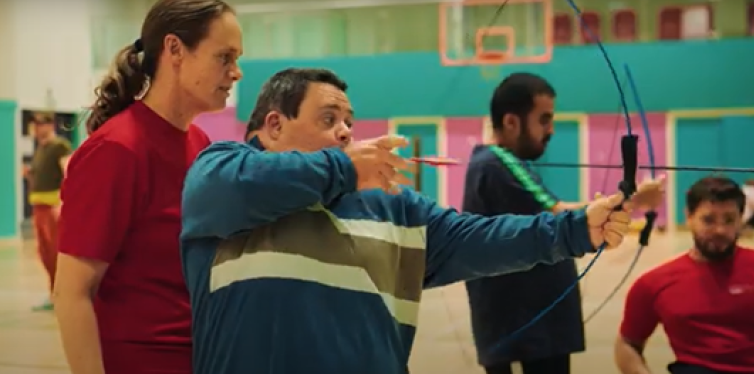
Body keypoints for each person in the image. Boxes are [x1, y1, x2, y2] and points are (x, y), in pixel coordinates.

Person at [179, 68, 664, 374]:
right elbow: (235, 185)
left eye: (349, 120)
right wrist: (346, 168)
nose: (346, 130)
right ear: (274, 126)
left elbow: (480, 235)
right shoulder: (224, 173)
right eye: (328, 119)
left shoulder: (395, 206)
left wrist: (579, 228)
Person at [52, 1, 242, 373]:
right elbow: (72, 293)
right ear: (174, 50)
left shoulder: (200, 144)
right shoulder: (117, 150)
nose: (236, 73)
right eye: (224, 57)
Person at [461, 73, 663, 374]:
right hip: (527, 324)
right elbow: (559, 214)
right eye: (543, 120)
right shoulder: (497, 163)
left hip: (524, 323)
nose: (551, 130)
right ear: (511, 122)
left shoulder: (498, 164)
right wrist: (632, 199)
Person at [615, 176, 754, 374]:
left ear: (741, 219)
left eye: (729, 220)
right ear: (689, 217)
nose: (720, 230)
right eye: (708, 220)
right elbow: (627, 344)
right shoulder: (653, 284)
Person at [24, 112, 72, 311]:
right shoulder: (40, 150)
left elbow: (68, 170)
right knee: (44, 254)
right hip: (38, 207)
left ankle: (62, 293)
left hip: (53, 207)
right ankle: (53, 293)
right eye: (35, 125)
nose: (37, 128)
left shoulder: (59, 146)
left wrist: (64, 203)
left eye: (41, 124)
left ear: (50, 125)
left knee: (55, 252)